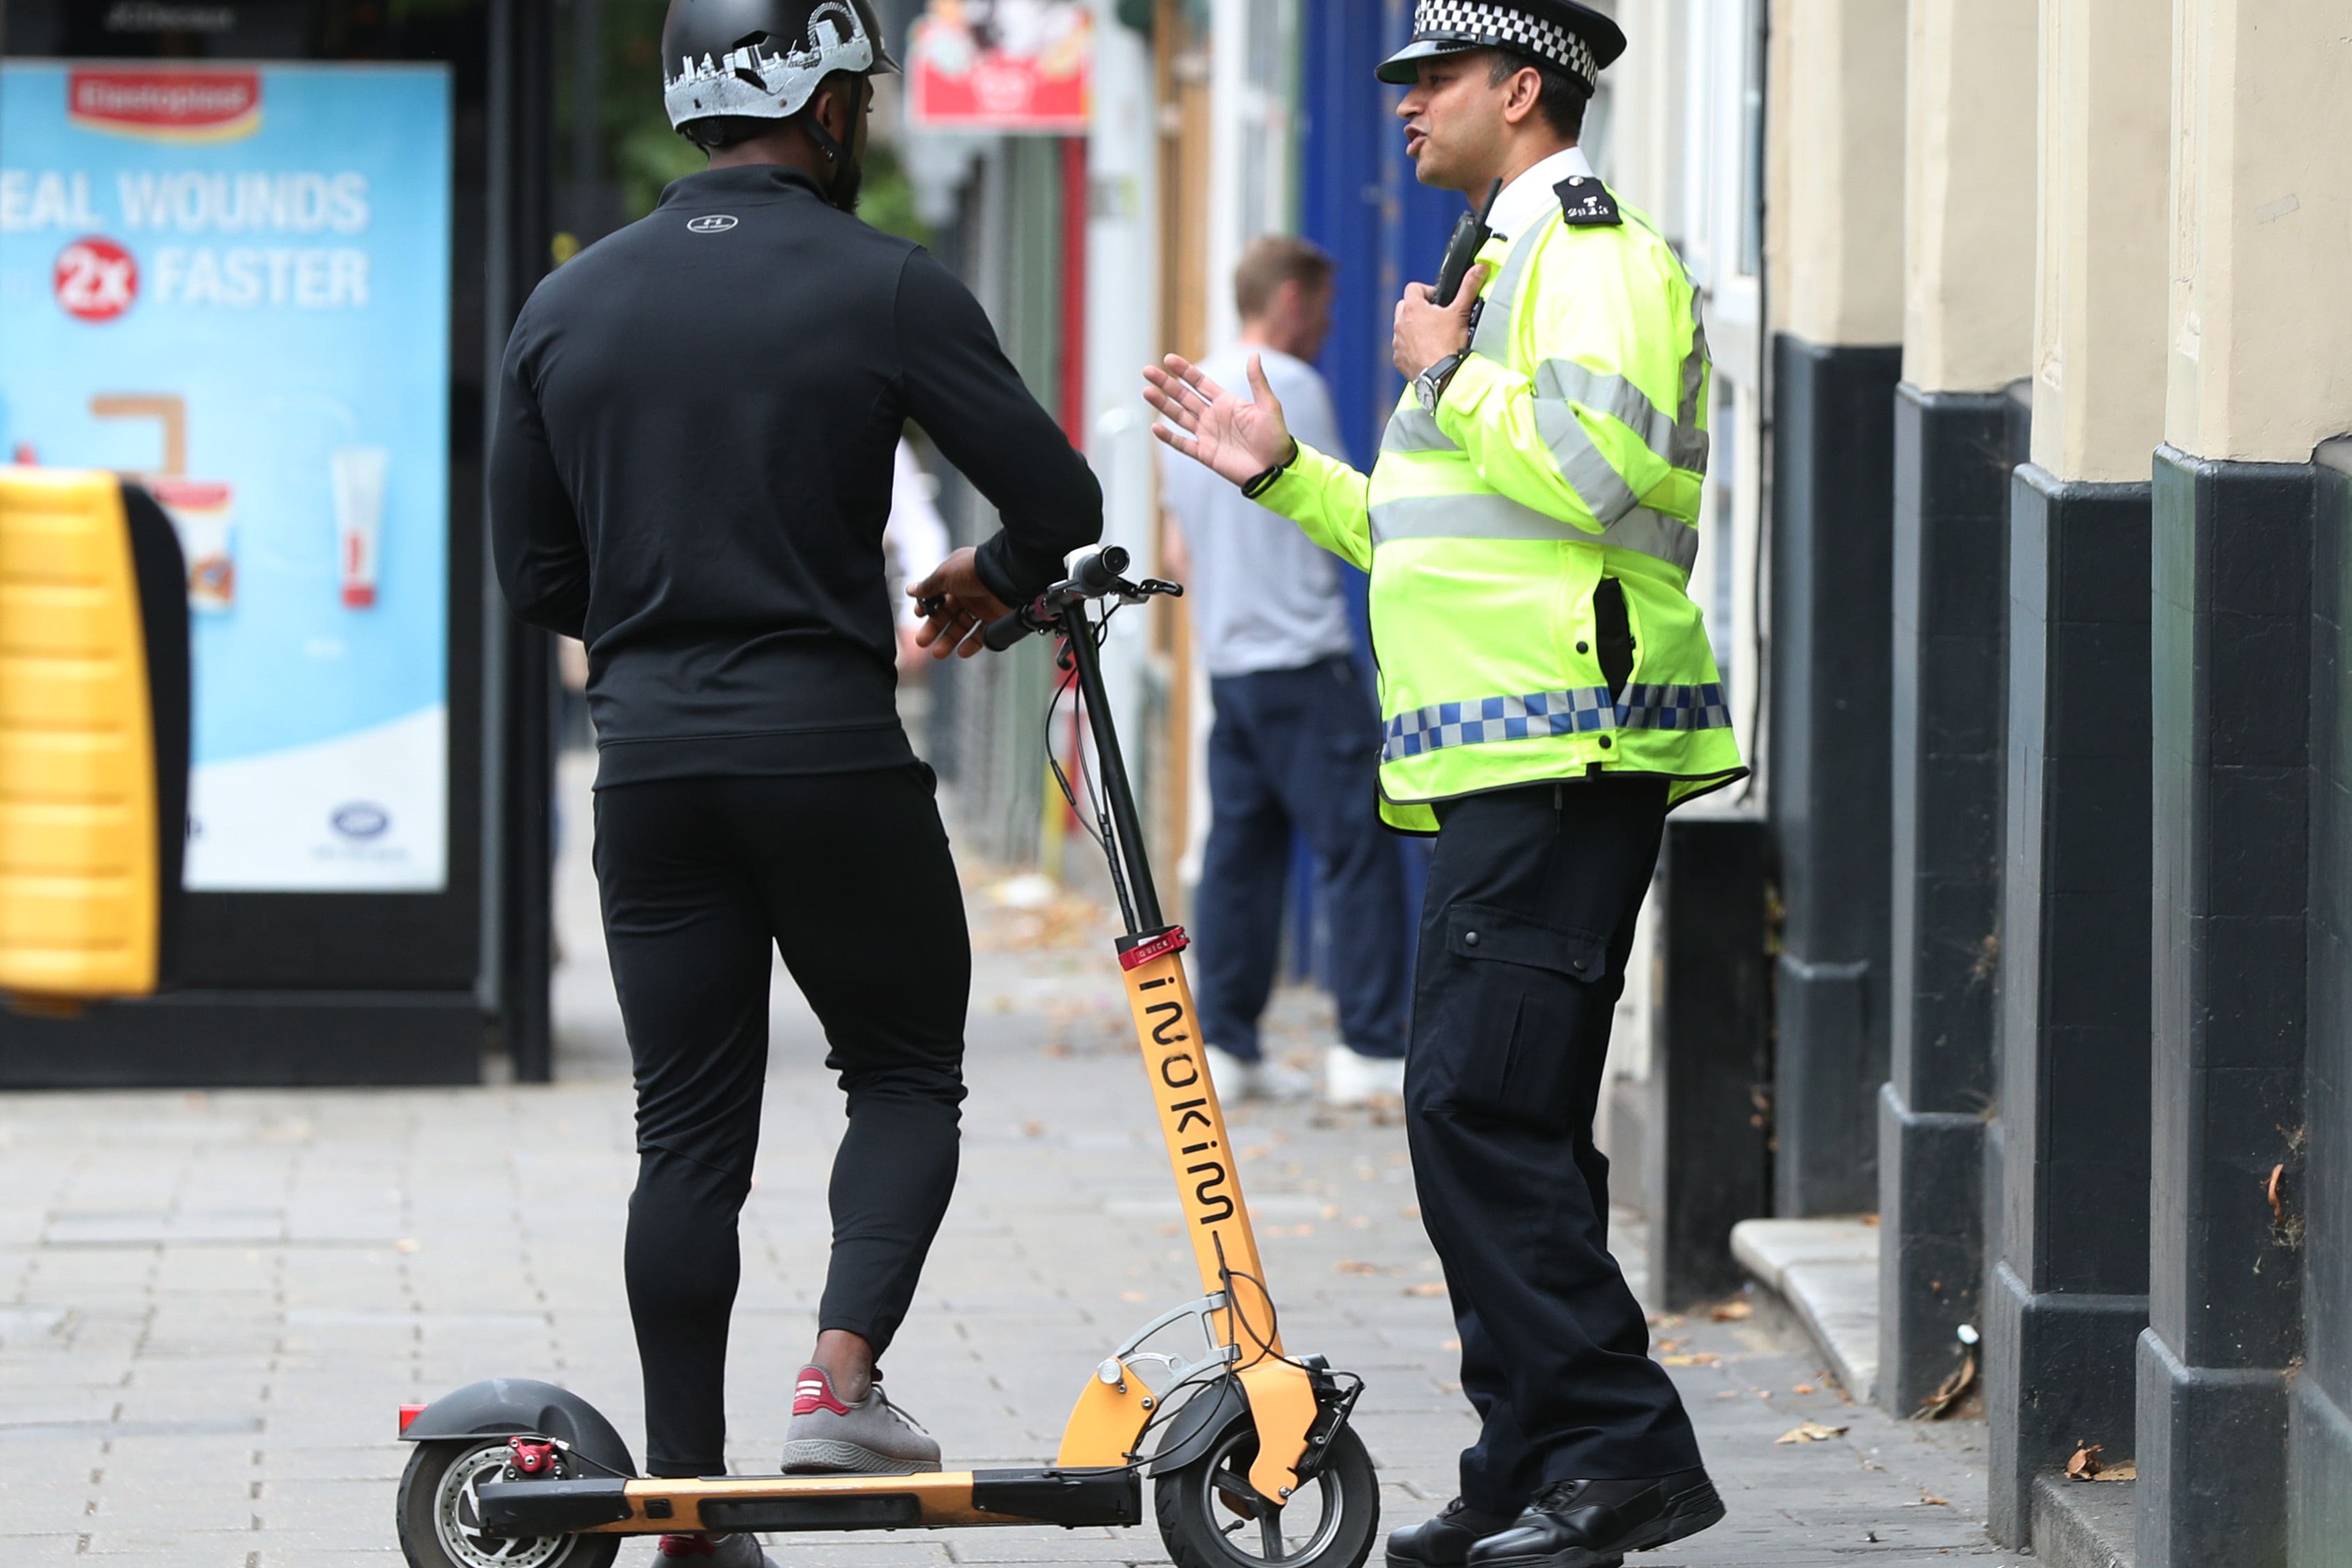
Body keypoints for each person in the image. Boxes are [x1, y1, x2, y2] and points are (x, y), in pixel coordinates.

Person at [489, 1, 1101, 1562]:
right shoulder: (881, 282)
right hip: (828, 749)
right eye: (864, 95)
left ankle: (690, 1503)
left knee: (683, 1133)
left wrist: (658, 627)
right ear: (822, 102)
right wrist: (993, 575)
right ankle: (836, 1382)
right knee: (902, 1066)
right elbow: (1059, 496)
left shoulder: (568, 304)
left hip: (653, 768)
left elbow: (535, 570)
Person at [1143, 4, 1744, 1567]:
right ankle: (1534, 1452)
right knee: (1493, 1115)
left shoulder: (1590, 251)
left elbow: (1598, 474)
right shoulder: (1494, 265)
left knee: (1476, 1109)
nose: (1403, 105)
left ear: (1520, 89)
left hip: (1568, 748)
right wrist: (1280, 471)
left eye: (1432, 82)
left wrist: (1444, 374)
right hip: (1504, 762)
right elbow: (1440, 533)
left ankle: (1616, 1454)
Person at [1159, 237, 1411, 1107]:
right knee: (1359, 851)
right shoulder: (1286, 386)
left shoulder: (1192, 390)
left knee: (1240, 855)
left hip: (1230, 662)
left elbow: (1174, 546)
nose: (1332, 322)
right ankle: (1370, 1049)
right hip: (1305, 657)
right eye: (1326, 303)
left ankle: (1227, 1047)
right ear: (1294, 298)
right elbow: (1342, 505)